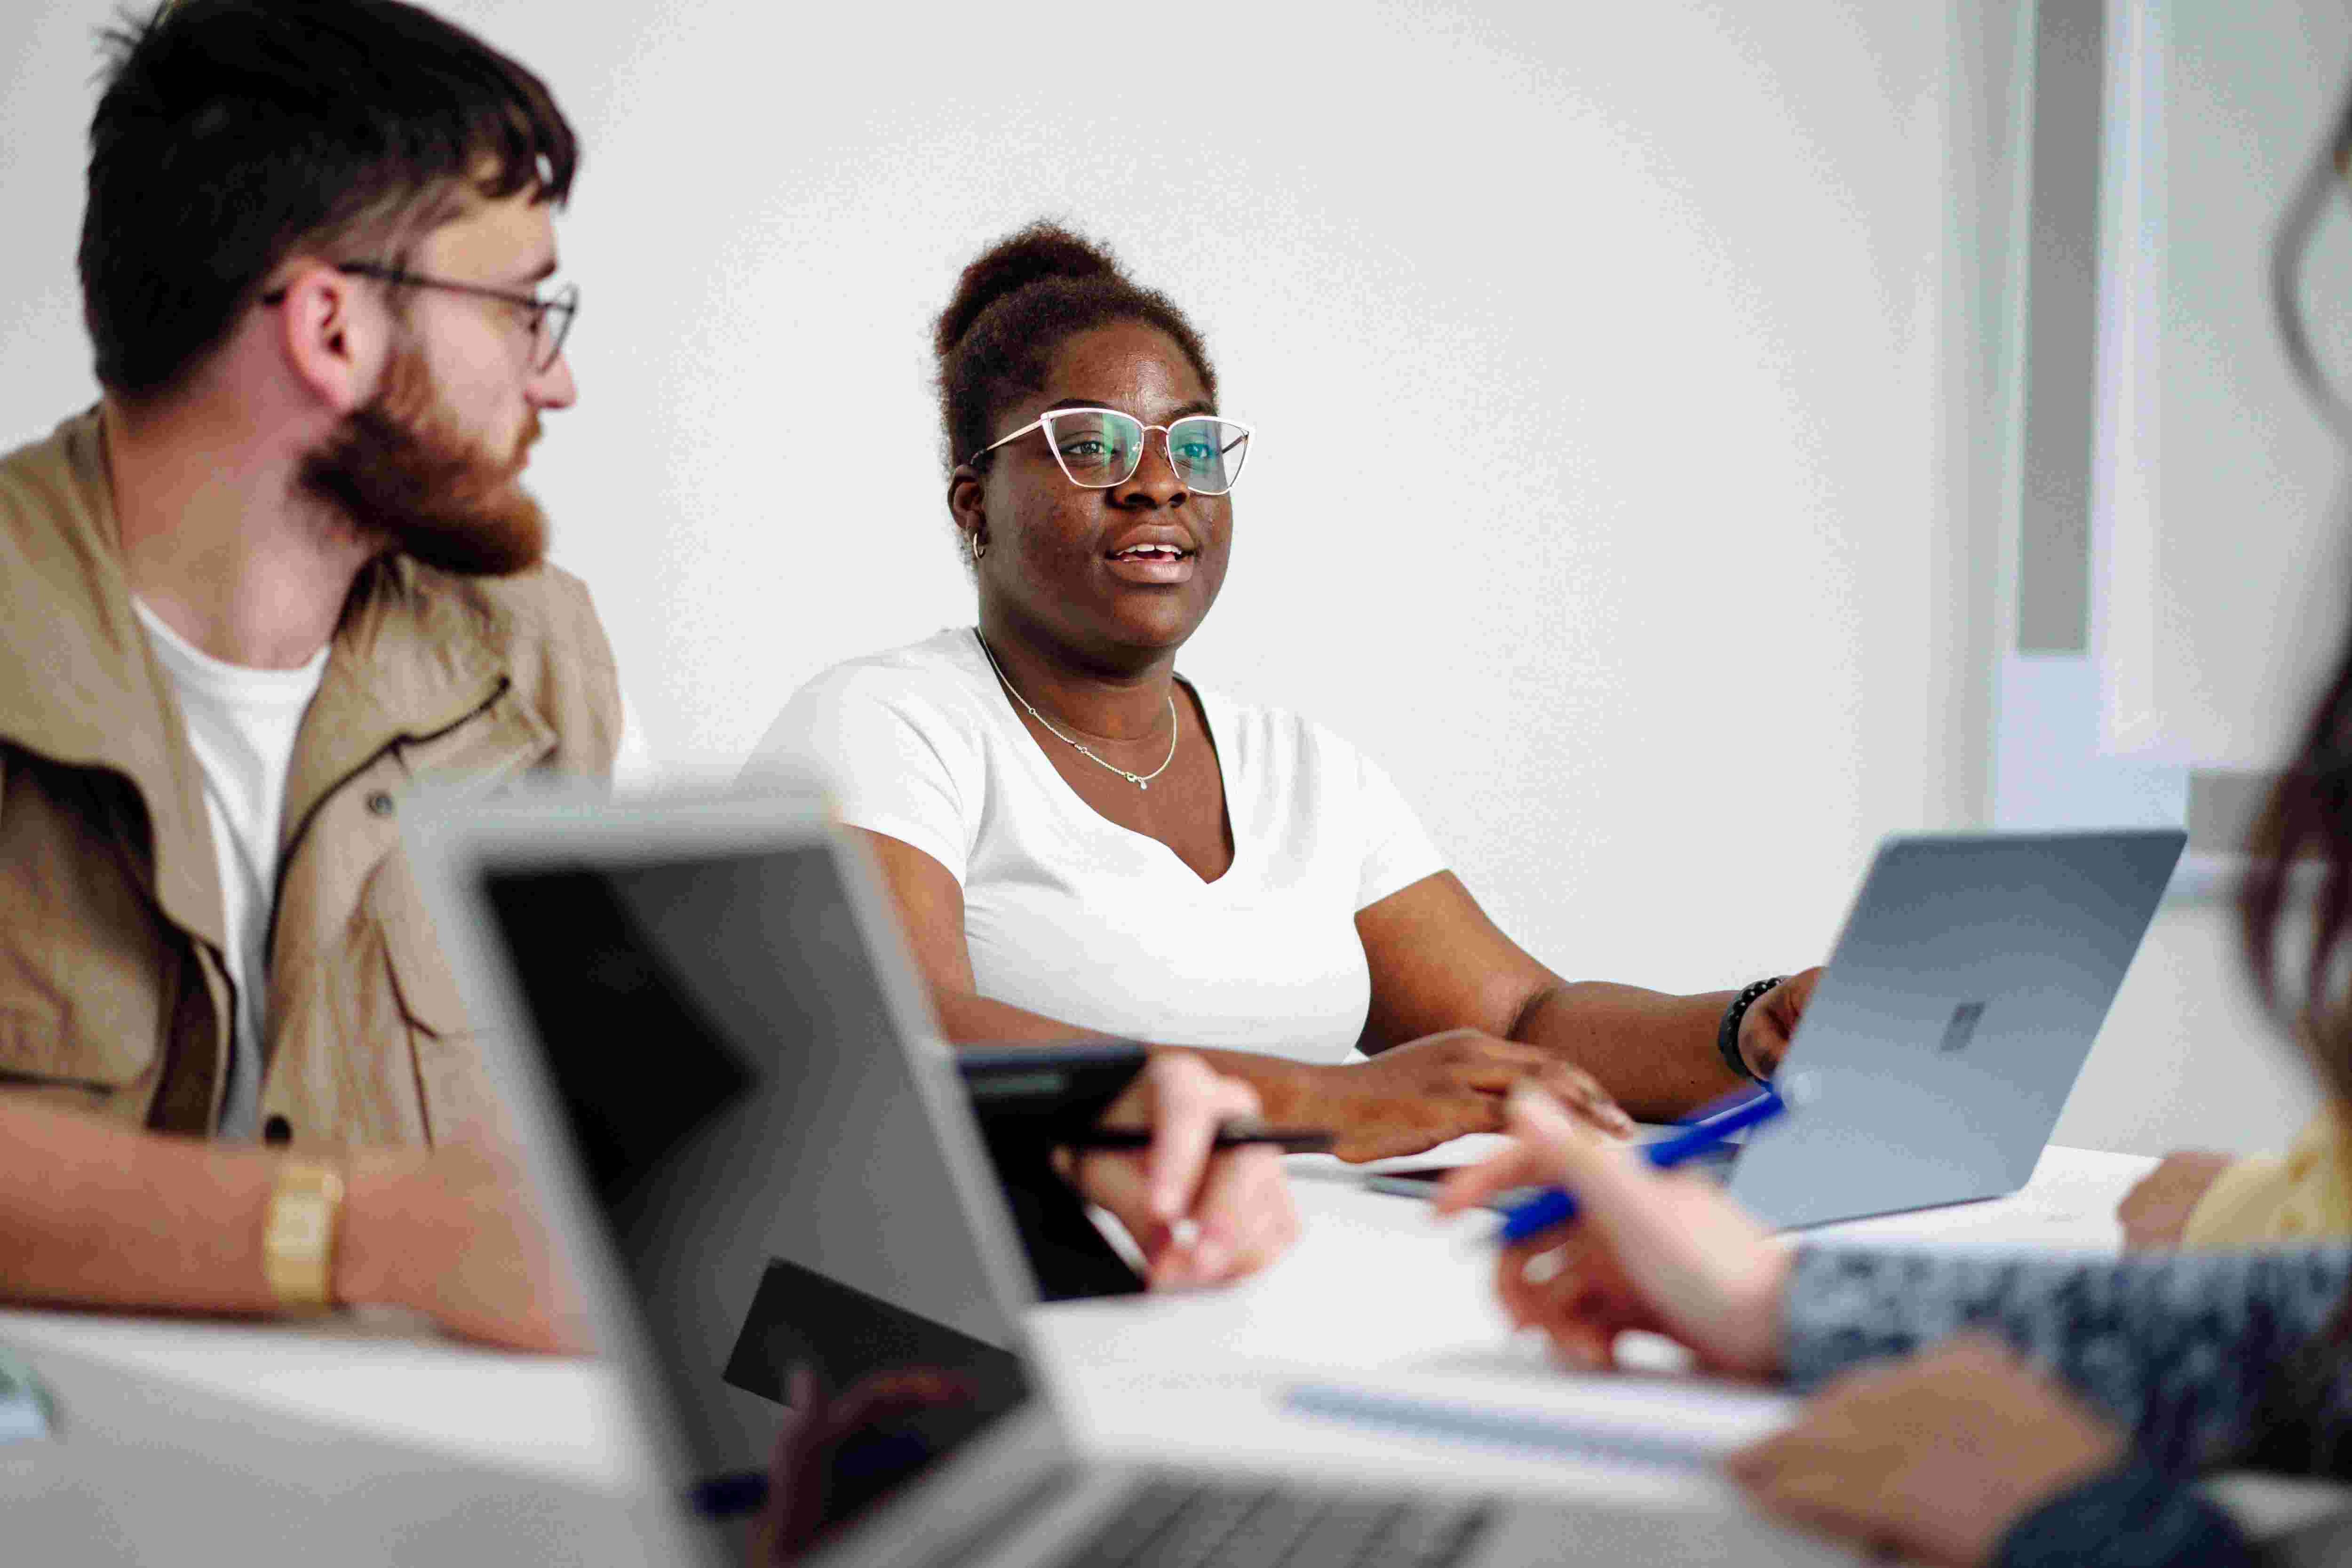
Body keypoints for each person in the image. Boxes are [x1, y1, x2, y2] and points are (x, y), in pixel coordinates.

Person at [0, 0, 1282, 1350]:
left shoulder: (534, 660)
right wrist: (372, 1229)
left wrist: (1067, 1137)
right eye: (522, 311)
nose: (555, 381)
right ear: (331, 329)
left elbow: (731, 1113)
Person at [754, 224, 1822, 1161]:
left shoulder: (1307, 772)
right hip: (1063, 1296)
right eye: (1090, 444)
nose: (1157, 482)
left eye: (1192, 444)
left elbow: (1522, 1024)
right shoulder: (890, 723)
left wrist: (1748, 1027)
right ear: (973, 502)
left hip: (1323, 1281)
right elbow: (899, 1026)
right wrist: (1325, 1096)